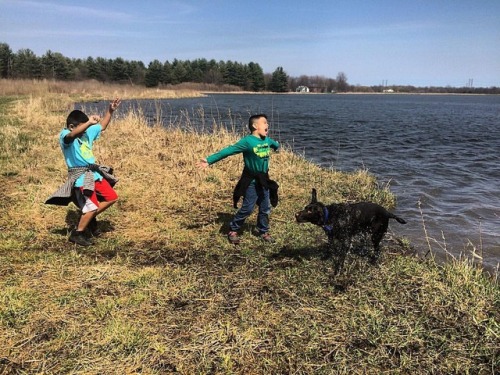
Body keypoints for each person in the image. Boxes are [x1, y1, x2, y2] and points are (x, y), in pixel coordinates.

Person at [46, 98, 121, 246]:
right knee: (91, 206)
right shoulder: (65, 135)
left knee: (111, 197)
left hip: (94, 174)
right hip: (80, 177)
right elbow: (71, 136)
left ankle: (88, 218)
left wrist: (110, 111)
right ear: (72, 126)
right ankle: (77, 233)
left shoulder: (86, 132)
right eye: (82, 127)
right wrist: (88, 123)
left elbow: (102, 126)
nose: (85, 130)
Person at [198, 114, 280, 244]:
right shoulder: (247, 142)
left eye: (267, 123)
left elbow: (275, 145)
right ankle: (233, 229)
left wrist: (276, 146)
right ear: (255, 126)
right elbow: (229, 150)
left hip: (264, 180)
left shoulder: (267, 140)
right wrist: (209, 160)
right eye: (264, 123)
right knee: (247, 208)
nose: (267, 125)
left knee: (265, 207)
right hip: (251, 181)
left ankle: (263, 231)